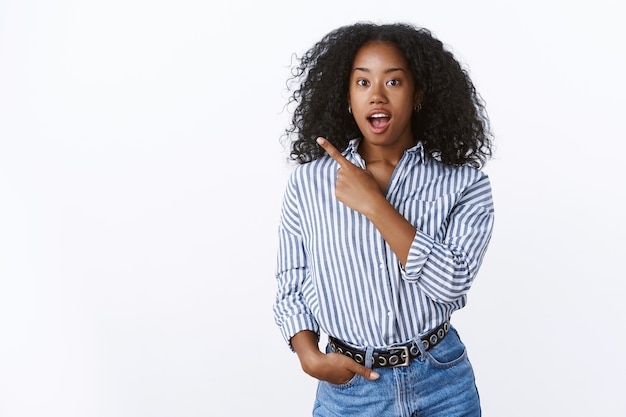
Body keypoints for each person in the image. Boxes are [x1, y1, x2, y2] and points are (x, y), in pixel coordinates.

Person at [273, 22, 494, 417]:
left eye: (393, 82)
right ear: (346, 96)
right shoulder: (309, 182)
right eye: (362, 83)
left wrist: (375, 205)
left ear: (419, 93)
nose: (376, 95)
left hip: (441, 382)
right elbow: (291, 281)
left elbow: (451, 283)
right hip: (351, 389)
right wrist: (309, 356)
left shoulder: (465, 184)